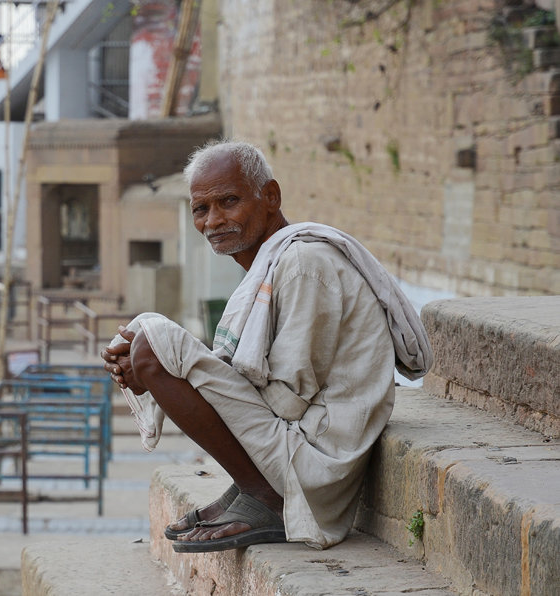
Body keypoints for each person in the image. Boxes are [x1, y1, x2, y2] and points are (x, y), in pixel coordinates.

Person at [101, 140, 432, 552]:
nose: (214, 221)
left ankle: (266, 497)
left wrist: (163, 368)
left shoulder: (303, 264)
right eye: (201, 210)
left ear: (270, 197)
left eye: (228, 201)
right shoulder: (271, 265)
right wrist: (154, 374)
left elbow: (287, 401)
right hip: (297, 440)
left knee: (152, 344)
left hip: (317, 460)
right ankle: (250, 487)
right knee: (149, 347)